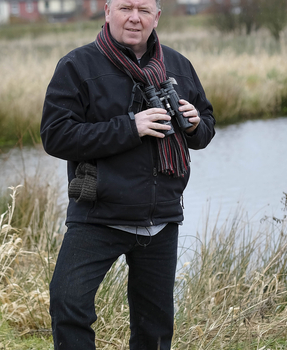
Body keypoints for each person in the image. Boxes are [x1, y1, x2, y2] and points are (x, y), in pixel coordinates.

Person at [40, 0, 215, 347]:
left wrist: (196, 125)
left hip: (161, 217)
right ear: (107, 12)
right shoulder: (77, 65)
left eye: (144, 10)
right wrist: (130, 127)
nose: (134, 17)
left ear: (157, 17)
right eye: (125, 7)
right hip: (99, 213)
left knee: (156, 327)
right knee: (67, 303)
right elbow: (56, 136)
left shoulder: (178, 65)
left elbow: (206, 127)